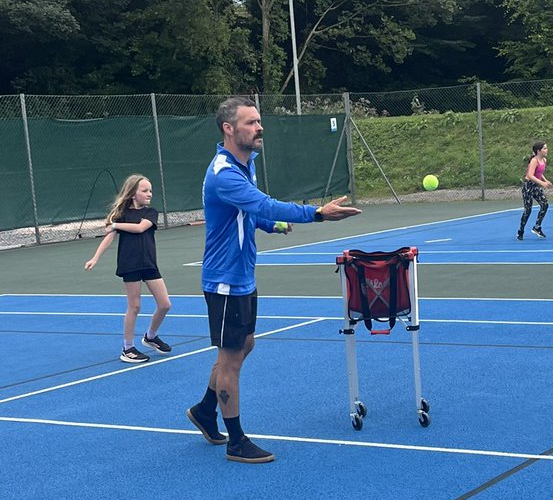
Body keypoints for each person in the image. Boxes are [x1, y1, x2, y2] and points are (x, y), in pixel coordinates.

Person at [187, 96, 360, 464]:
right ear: (228, 129)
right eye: (250, 122)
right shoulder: (225, 173)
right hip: (224, 282)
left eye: (259, 121)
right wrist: (316, 213)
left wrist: (271, 224)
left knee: (243, 345)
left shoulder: (245, 163)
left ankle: (205, 409)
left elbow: (252, 212)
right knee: (230, 358)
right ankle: (236, 441)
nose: (259, 127)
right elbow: (260, 203)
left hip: (243, 277)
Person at [84, 174, 173, 362]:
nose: (149, 194)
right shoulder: (122, 215)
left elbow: (140, 228)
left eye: (150, 190)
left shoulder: (150, 213)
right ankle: (128, 348)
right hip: (129, 264)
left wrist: (115, 224)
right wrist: (95, 257)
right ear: (133, 193)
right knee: (135, 306)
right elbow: (109, 237)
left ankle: (150, 336)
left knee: (165, 304)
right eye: (145, 190)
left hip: (149, 264)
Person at [517, 141, 552, 240]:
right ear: (538, 151)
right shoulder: (534, 161)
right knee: (528, 210)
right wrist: (542, 183)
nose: (546, 150)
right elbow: (530, 175)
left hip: (536, 186)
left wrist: (545, 180)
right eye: (544, 148)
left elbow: (539, 172)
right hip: (528, 186)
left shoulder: (544, 160)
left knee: (545, 204)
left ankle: (537, 227)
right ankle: (520, 230)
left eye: (546, 148)